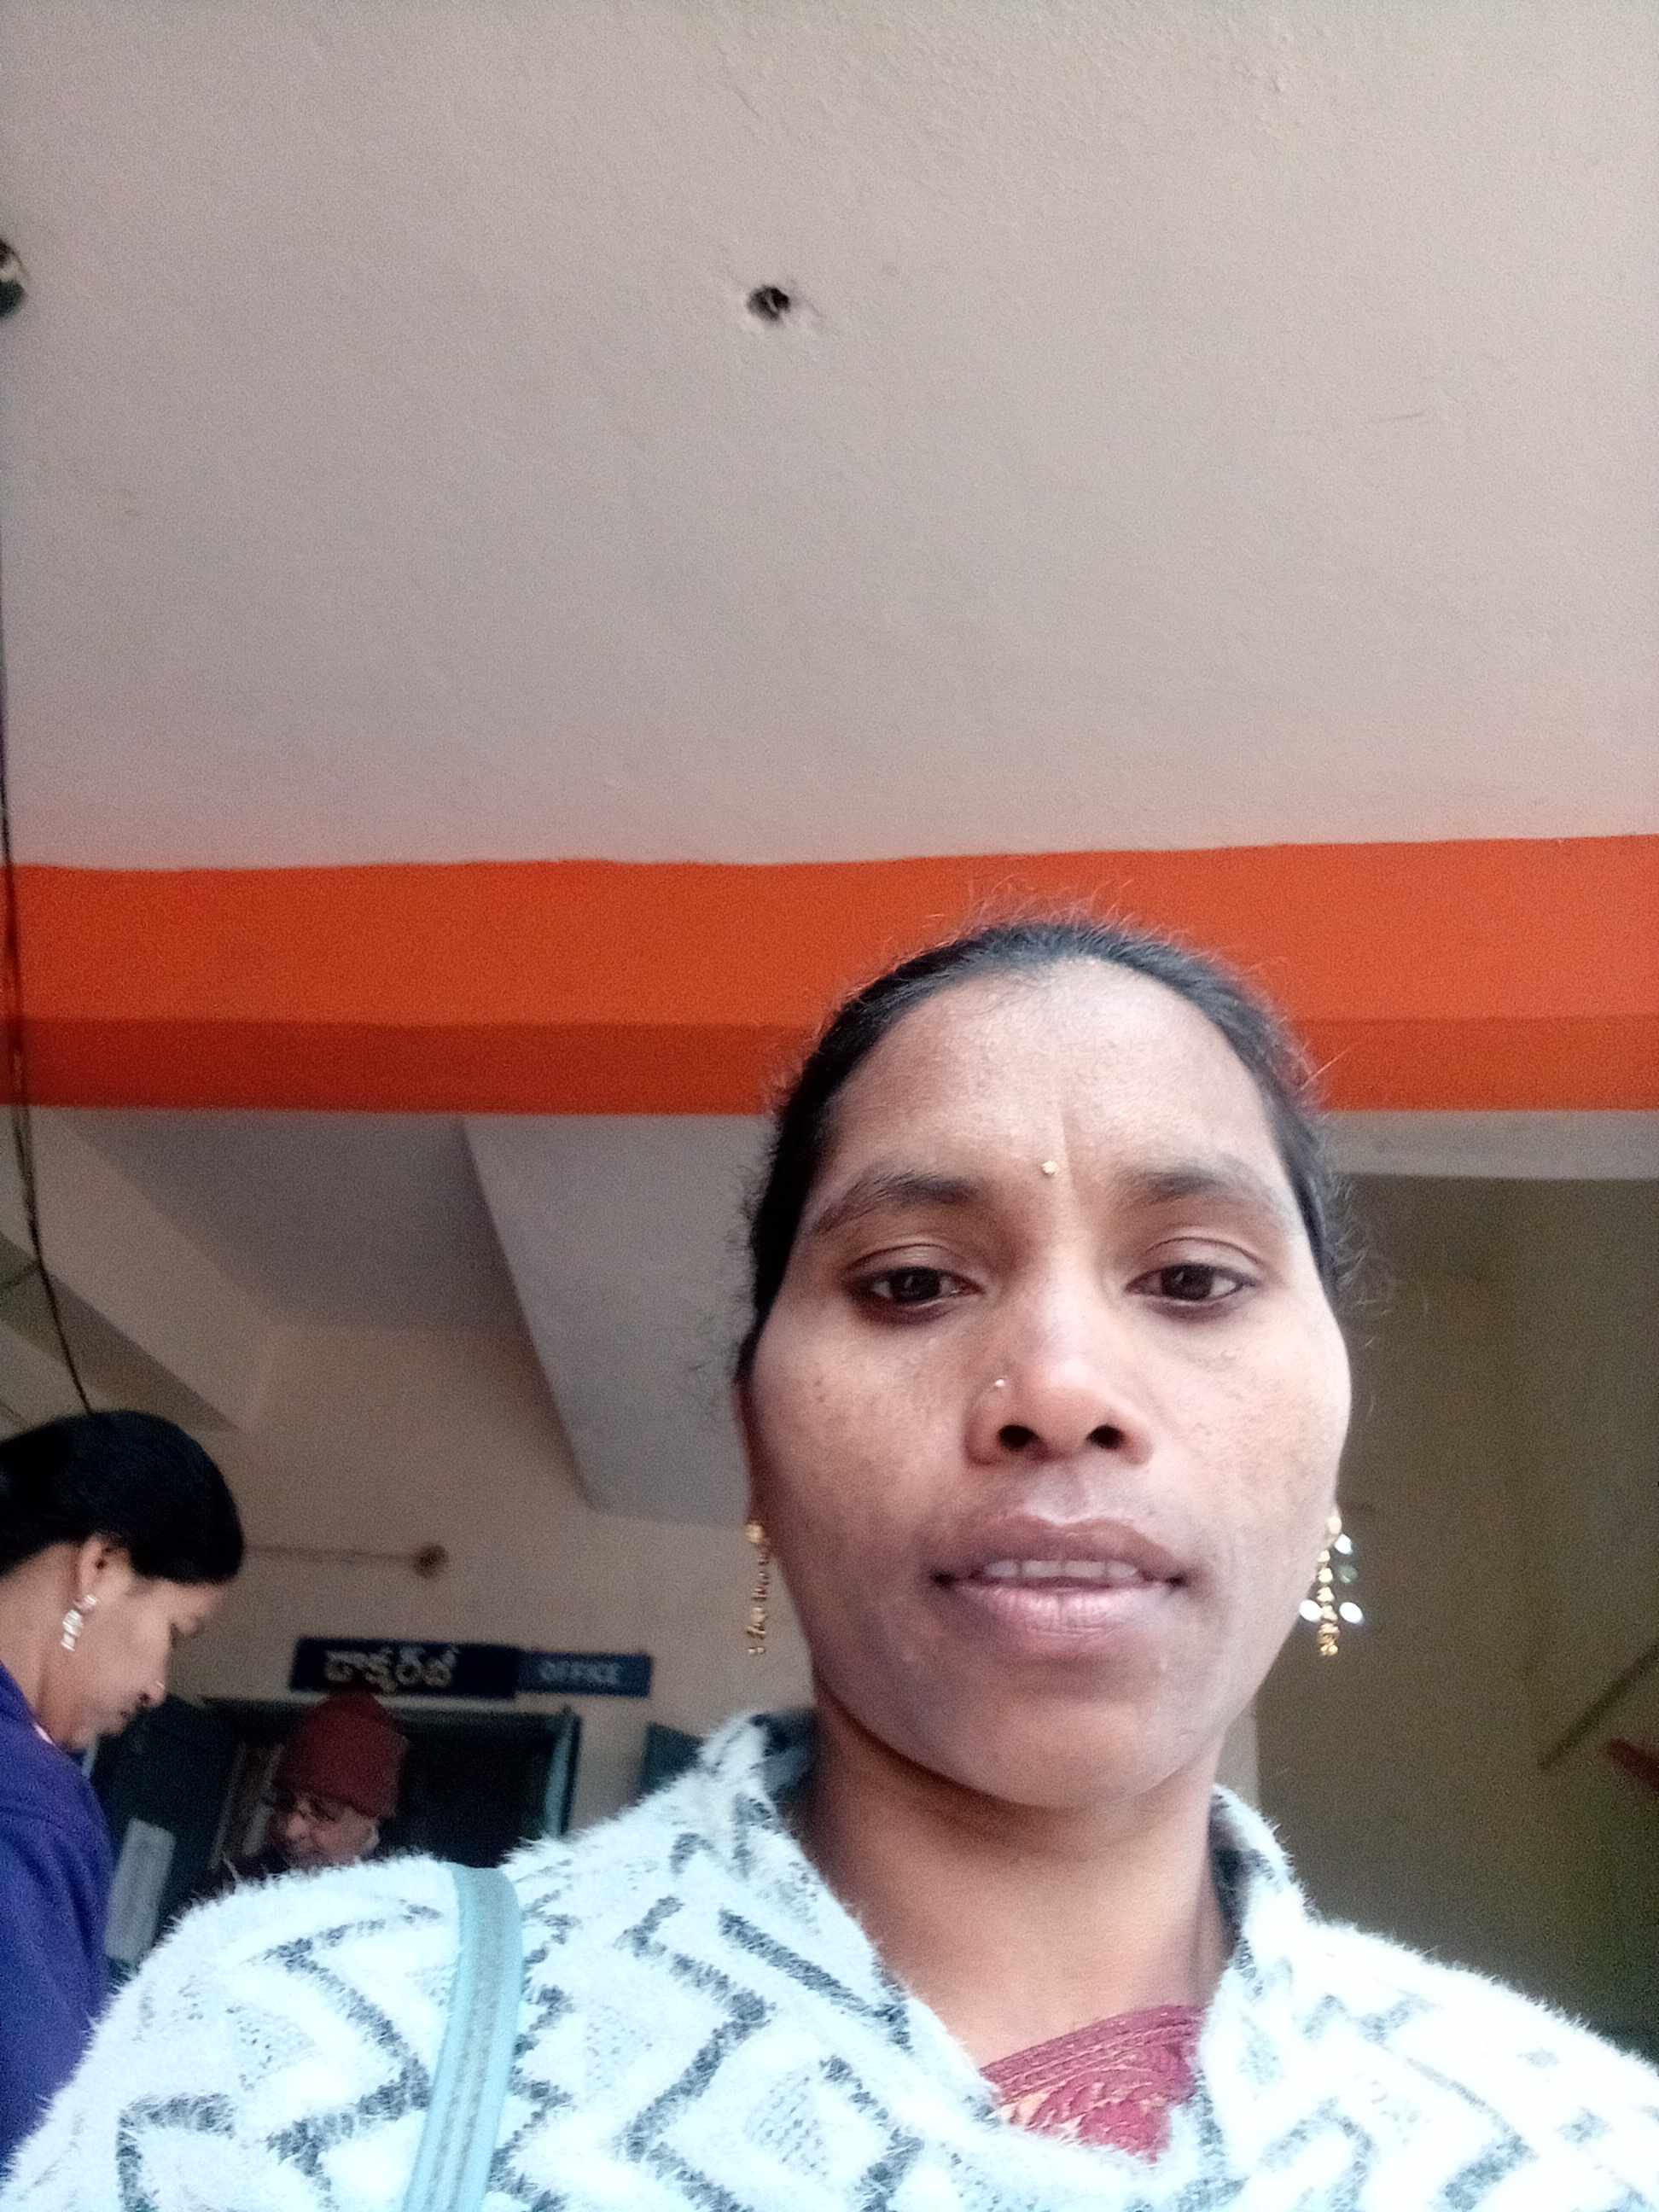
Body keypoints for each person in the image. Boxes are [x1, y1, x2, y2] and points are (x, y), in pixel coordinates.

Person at [5, 918, 1656, 2209]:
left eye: (1194, 1278)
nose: (1058, 1387)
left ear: (1332, 1422)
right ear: (755, 1443)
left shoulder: (1578, 2149)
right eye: (912, 1279)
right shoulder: (284, 2050)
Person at [0, 1410, 242, 2177]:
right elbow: (35, 2154)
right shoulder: (29, 1805)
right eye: (177, 1632)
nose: (158, 1688)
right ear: (101, 1565)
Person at [191, 1690, 405, 1900]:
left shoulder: (402, 1906)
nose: (290, 1831)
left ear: (371, 1820)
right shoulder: (227, 1892)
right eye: (285, 1803)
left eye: (322, 1812)